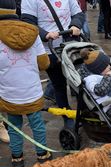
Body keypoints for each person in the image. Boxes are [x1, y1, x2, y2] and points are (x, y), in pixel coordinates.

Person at [0, 1, 52, 167]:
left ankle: (17, 159)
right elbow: (44, 63)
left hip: (9, 94)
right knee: (37, 125)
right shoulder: (33, 32)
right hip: (32, 91)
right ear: (15, 9)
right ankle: (42, 154)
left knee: (14, 127)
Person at [21, 0, 85, 129]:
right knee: (59, 85)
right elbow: (28, 23)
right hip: (49, 49)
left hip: (70, 46)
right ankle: (66, 116)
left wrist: (76, 25)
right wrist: (46, 34)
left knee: (81, 82)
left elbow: (78, 13)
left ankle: (84, 112)